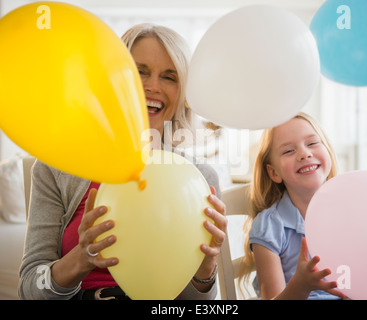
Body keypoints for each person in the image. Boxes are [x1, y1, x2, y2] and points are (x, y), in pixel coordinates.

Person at [18, 23, 227, 300]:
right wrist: (80, 259)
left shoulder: (200, 178)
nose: (153, 86)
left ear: (183, 95)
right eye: (139, 72)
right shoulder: (56, 168)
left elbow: (197, 304)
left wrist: (207, 266)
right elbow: (29, 290)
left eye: (169, 76)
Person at [239, 112, 345, 300]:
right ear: (274, 173)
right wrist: (300, 285)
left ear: (328, 151)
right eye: (288, 151)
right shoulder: (269, 226)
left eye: (312, 143)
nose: (305, 153)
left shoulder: (345, 212)